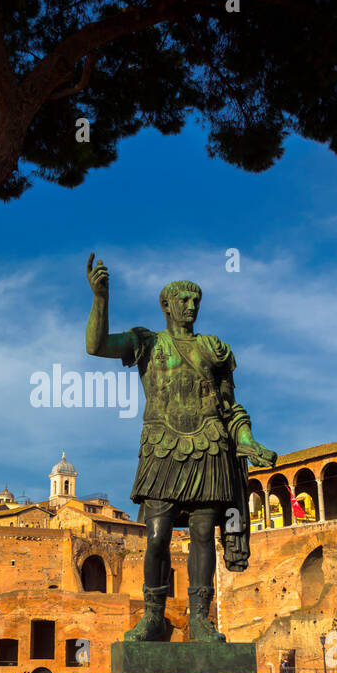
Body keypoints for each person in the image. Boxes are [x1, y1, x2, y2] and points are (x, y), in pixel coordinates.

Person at [84, 257, 277, 643]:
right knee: (156, 536)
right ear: (167, 307)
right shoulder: (148, 342)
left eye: (195, 301)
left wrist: (248, 441)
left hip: (209, 446)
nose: (191, 307)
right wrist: (101, 297)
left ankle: (201, 620)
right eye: (184, 301)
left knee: (204, 534)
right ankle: (154, 615)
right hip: (162, 447)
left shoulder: (213, 349)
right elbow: (97, 345)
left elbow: (230, 408)